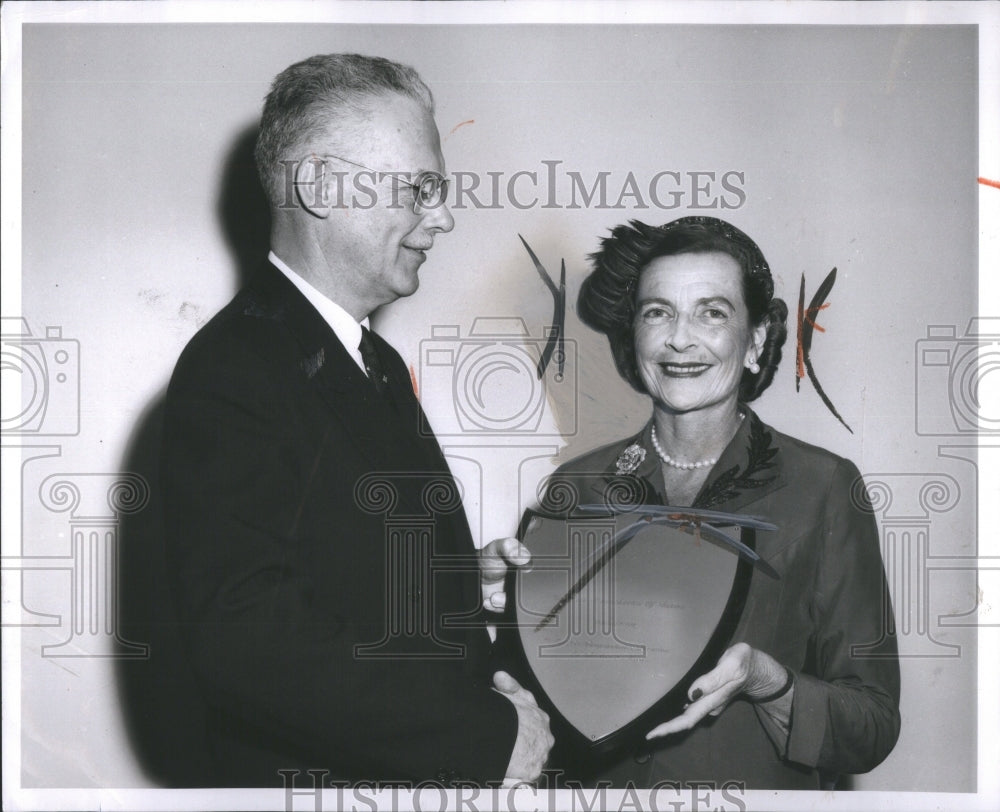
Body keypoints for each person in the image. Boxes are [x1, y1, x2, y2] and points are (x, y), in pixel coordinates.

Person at [161, 53, 552, 787]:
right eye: (419, 188)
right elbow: (246, 639)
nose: (444, 215)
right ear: (318, 187)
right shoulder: (235, 368)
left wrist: (459, 585)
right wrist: (486, 735)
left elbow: (326, 569)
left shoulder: (364, 360)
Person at [520, 216, 900, 789]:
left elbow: (871, 725)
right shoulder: (575, 486)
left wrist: (768, 680)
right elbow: (536, 690)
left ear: (755, 340)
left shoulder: (823, 487)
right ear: (634, 336)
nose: (679, 338)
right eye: (657, 312)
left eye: (712, 312)